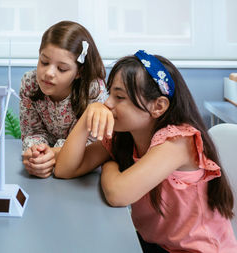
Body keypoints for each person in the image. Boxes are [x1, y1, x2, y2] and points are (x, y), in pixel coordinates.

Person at [55, 50, 237, 252]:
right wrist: (88, 115)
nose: (108, 104)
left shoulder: (178, 141)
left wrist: (108, 165)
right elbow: (65, 169)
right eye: (110, 94)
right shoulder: (125, 135)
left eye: (120, 97)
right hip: (156, 244)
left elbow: (118, 194)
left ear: (158, 106)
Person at [20, 20, 106, 178]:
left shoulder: (93, 91)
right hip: (44, 162)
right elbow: (32, 131)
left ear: (79, 72)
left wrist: (52, 153)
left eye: (62, 69)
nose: (49, 73)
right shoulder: (30, 83)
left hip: (79, 169)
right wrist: (36, 153)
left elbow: (90, 144)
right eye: (44, 62)